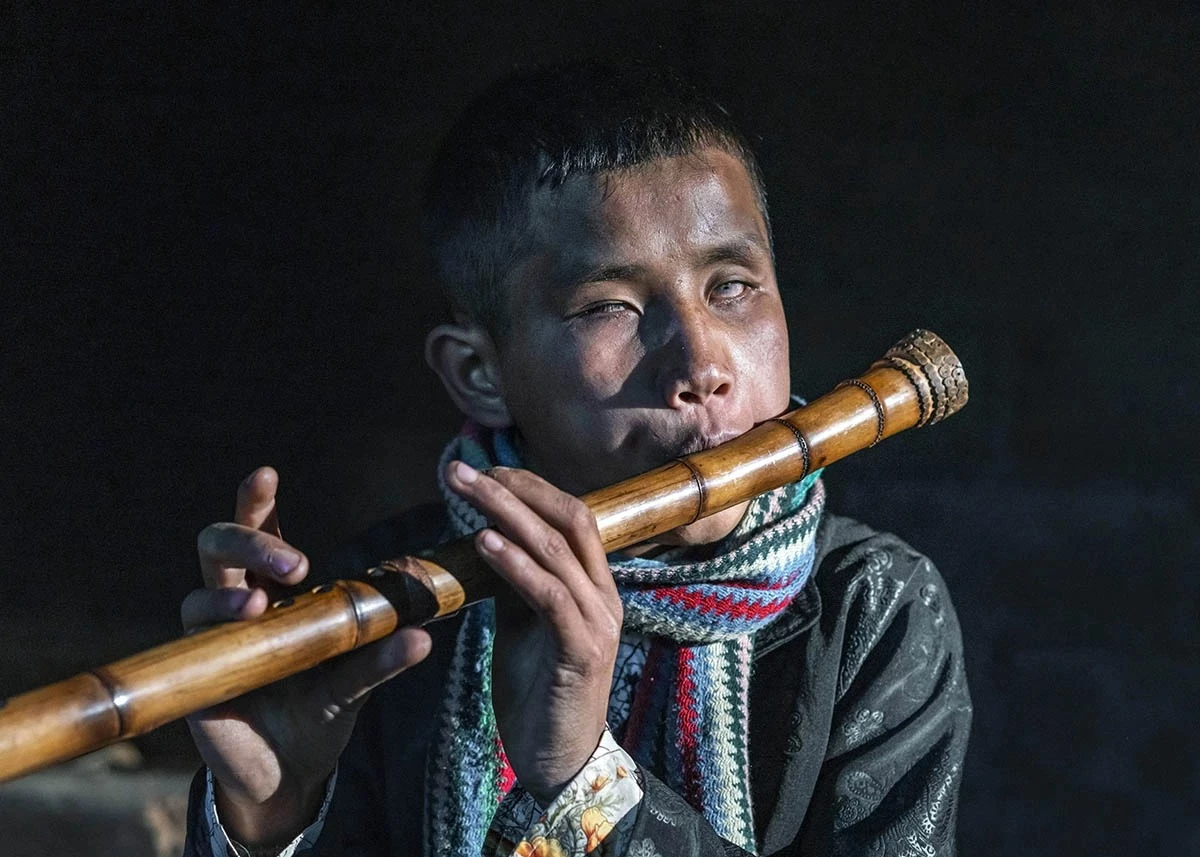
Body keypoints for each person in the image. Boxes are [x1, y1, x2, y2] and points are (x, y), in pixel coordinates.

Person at [181, 62, 971, 857]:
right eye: (609, 307)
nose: (702, 364)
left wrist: (584, 780)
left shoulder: (874, 607)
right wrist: (269, 819)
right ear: (478, 374)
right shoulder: (384, 615)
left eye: (732, 286)